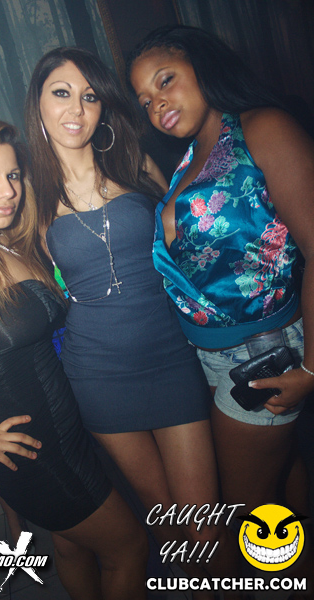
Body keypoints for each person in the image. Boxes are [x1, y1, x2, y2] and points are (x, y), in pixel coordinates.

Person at [25, 47, 239, 593]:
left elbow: (191, 242)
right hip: (98, 373)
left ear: (103, 107)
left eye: (89, 96)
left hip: (171, 357)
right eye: (61, 93)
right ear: (39, 104)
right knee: (164, 520)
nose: (76, 108)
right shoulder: (27, 195)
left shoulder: (134, 163)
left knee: (203, 525)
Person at [0, 118, 148, 600]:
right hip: (38, 454)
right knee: (129, 547)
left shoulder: (0, 244)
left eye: (13, 175)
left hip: (62, 437)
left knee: (72, 549)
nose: (8, 190)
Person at [128, 25, 314, 518]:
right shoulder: (191, 156)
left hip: (264, 352)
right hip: (212, 359)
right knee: (278, 479)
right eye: (144, 101)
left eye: (165, 80)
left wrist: (313, 368)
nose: (156, 104)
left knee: (241, 507)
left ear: (201, 64)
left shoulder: (263, 127)